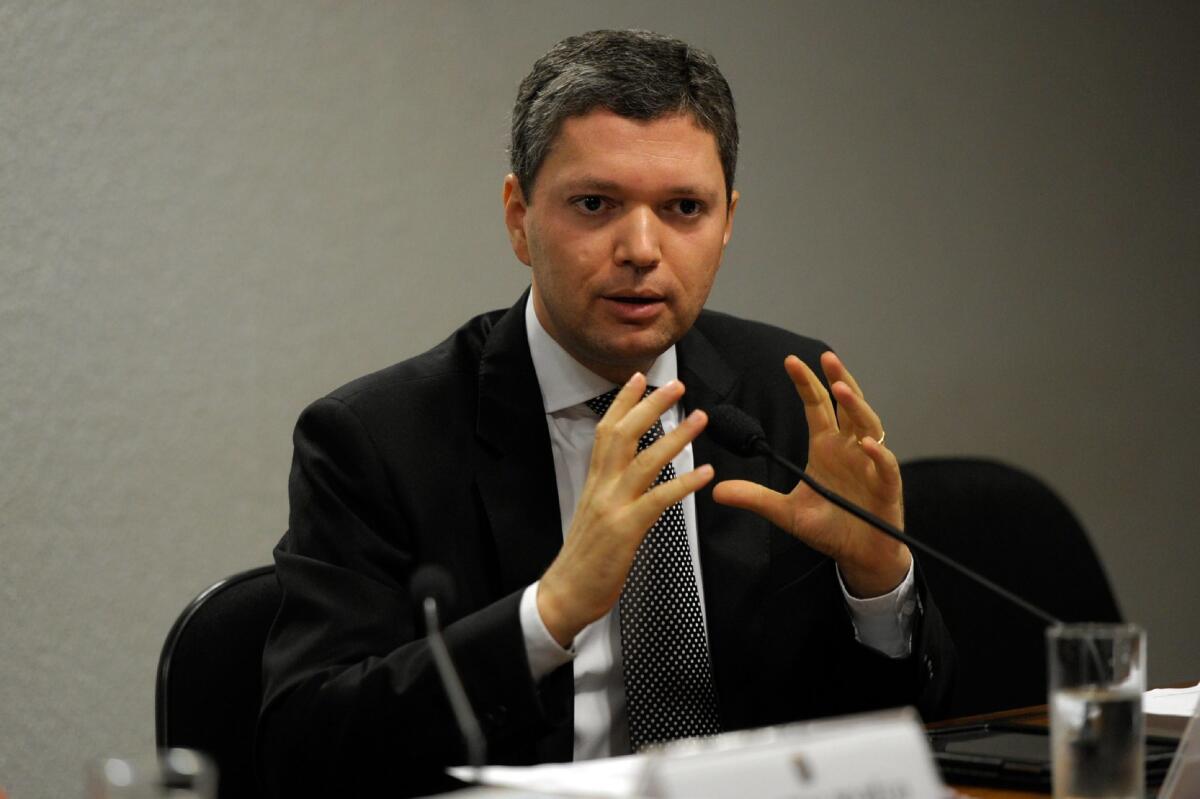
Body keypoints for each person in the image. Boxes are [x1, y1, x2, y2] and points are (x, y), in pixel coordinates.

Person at [257, 29, 953, 797]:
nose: (642, 248)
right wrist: (549, 612)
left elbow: (897, 732)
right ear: (519, 217)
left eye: (685, 207)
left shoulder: (787, 398)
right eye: (596, 204)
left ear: (727, 221)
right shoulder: (375, 440)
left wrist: (877, 582)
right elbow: (305, 745)